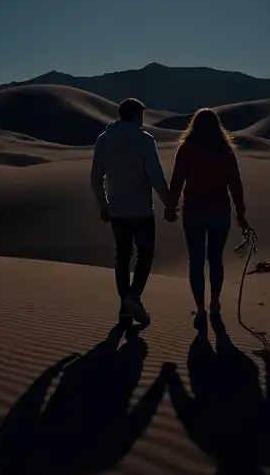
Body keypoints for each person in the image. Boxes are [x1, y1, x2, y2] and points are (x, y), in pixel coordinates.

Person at [165, 108, 251, 328]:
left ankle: (201, 309)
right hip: (220, 212)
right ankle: (215, 302)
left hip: (193, 211)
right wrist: (241, 214)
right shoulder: (225, 151)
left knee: (196, 260)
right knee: (215, 258)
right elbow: (236, 185)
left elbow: (177, 181)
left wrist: (170, 206)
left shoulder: (186, 150)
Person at [90, 98, 171, 326]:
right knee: (145, 255)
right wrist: (168, 202)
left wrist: (103, 204)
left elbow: (96, 176)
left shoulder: (103, 140)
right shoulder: (144, 140)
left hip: (117, 210)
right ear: (135, 115)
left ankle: (125, 306)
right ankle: (133, 296)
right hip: (142, 211)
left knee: (122, 258)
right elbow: (155, 175)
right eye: (141, 114)